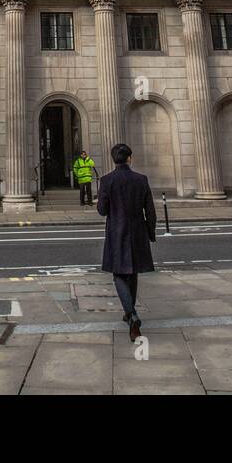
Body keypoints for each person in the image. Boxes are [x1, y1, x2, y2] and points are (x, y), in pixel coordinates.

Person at [97, 142, 157, 342]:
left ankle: (131, 314)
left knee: (119, 275)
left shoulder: (107, 181)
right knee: (133, 272)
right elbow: (150, 210)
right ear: (129, 158)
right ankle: (129, 312)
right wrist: (151, 232)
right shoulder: (141, 180)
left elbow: (102, 210)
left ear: (114, 160)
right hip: (138, 232)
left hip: (117, 232)